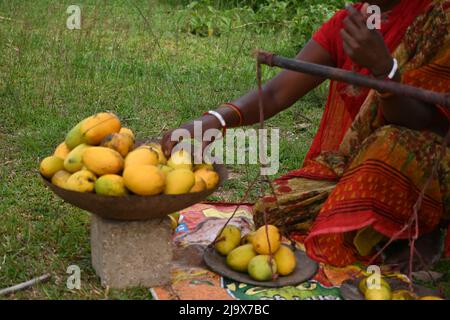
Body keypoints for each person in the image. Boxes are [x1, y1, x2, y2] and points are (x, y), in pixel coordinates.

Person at [162, 0, 450, 267]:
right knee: (273, 209)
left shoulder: (439, 18)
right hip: (362, 163)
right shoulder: (348, 25)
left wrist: (385, 70)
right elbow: (276, 92)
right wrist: (211, 121)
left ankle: (423, 230)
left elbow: (422, 120)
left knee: (389, 147)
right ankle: (374, 233)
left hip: (426, 161)